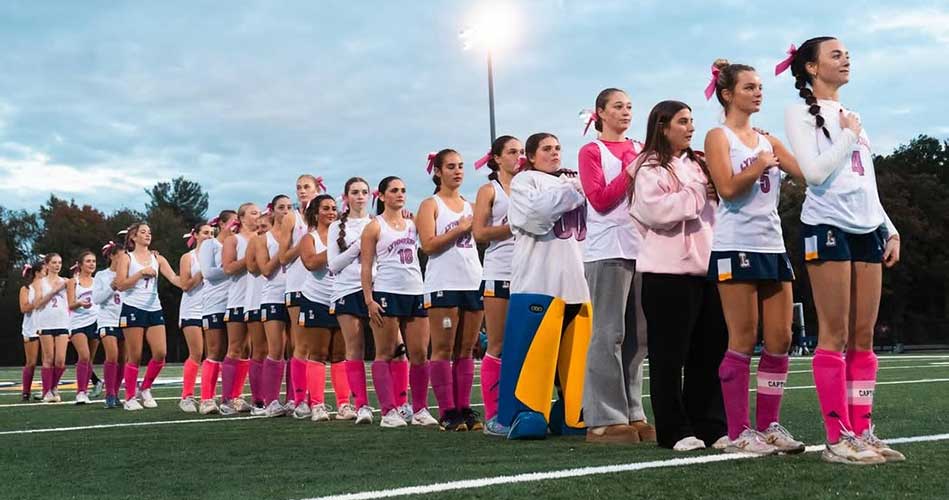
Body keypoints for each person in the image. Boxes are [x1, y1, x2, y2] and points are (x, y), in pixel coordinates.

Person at [780, 36, 902, 464]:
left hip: (868, 229)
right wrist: (848, 135)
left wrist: (890, 228)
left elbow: (865, 181)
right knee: (834, 334)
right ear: (812, 68)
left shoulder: (853, 117)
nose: (846, 58)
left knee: (863, 337)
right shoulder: (800, 113)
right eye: (835, 54)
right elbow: (814, 174)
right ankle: (838, 438)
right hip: (828, 226)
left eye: (847, 53)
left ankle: (863, 430)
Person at [704, 59, 807, 455]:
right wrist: (759, 166)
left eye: (760, 86)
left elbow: (808, 174)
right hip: (735, 245)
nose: (758, 93)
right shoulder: (719, 136)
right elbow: (728, 189)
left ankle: (769, 426)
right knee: (743, 339)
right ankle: (738, 432)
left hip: (772, 245)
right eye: (749, 87)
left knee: (781, 338)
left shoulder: (769, 140)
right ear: (728, 94)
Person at [628, 100, 727, 451]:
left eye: (691, 121)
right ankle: (674, 430)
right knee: (669, 356)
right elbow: (656, 212)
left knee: (709, 351)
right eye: (682, 121)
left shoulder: (699, 163)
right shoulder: (647, 167)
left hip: (708, 268)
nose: (690, 127)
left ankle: (710, 425)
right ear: (662, 126)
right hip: (666, 272)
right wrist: (697, 192)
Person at [497, 133, 592, 440]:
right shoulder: (525, 181)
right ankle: (521, 413)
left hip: (578, 284)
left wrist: (573, 188)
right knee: (530, 356)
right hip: (537, 281)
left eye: (558, 148)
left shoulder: (574, 182)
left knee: (577, 361)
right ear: (531, 156)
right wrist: (573, 190)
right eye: (546, 149)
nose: (554, 153)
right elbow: (535, 218)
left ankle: (571, 413)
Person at [577, 88, 655, 444]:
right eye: (618, 106)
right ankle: (603, 418)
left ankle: (632, 410)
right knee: (609, 334)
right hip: (608, 248)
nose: (626, 112)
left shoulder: (640, 147)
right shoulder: (592, 151)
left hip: (643, 248)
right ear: (601, 113)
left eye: (629, 107)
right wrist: (633, 169)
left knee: (638, 337)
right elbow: (600, 200)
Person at [362, 176, 437, 428]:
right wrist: (369, 300)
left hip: (416, 291)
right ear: (382, 196)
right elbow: (366, 266)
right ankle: (388, 411)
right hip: (387, 292)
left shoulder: (413, 224)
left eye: (403, 190)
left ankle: (420, 409)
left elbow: (428, 245)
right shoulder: (374, 227)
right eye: (394, 190)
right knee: (385, 353)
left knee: (419, 354)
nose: (400, 194)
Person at [417, 149, 484, 431]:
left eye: (461, 166)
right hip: (443, 284)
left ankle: (465, 408)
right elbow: (428, 245)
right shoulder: (430, 205)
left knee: (467, 349)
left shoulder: (471, 205)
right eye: (451, 166)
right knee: (443, 348)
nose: (457, 171)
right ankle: (447, 411)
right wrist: (460, 229)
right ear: (438, 171)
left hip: (473, 281)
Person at [472, 135, 522, 435]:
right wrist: (514, 225)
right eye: (512, 152)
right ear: (497, 158)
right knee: (498, 344)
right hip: (499, 272)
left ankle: (520, 410)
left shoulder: (530, 184)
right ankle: (494, 416)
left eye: (522, 151)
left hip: (529, 272)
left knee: (524, 346)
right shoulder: (489, 190)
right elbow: (479, 233)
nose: (519, 157)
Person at [297, 194, 354, 422]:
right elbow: (310, 263)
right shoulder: (309, 238)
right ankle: (317, 404)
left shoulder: (345, 235)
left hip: (340, 297)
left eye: (333, 208)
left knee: (340, 355)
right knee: (318, 353)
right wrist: (334, 248)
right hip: (316, 298)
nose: (331, 212)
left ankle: (344, 404)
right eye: (326, 208)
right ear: (316, 213)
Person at [114, 222, 181, 411]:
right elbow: (120, 285)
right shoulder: (126, 258)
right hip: (133, 308)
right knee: (134, 356)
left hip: (154, 308)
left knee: (160, 353)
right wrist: (141, 273)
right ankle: (129, 398)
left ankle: (145, 388)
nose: (147, 235)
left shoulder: (157, 258)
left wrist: (194, 280)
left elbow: (174, 278)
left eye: (149, 232)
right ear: (133, 237)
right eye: (143, 232)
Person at [327, 177, 376, 424]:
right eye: (355, 192)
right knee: (354, 348)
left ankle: (398, 404)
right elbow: (333, 265)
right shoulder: (336, 226)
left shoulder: (376, 222)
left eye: (364, 192)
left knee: (391, 347)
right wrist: (358, 246)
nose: (360, 196)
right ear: (346, 197)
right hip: (347, 290)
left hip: (376, 289)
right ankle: (361, 406)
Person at [279, 175, 322, 414]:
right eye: (299, 187)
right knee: (300, 343)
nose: (302, 191)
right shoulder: (291, 218)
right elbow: (283, 257)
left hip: (323, 286)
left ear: (317, 189)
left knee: (321, 347)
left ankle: (317, 399)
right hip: (297, 285)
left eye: (307, 187)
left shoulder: (326, 214)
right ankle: (299, 400)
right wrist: (304, 243)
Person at [220, 203, 261, 415]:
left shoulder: (263, 237)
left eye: (259, 213)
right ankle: (227, 399)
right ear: (242, 218)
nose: (258, 216)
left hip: (258, 299)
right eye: (253, 213)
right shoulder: (233, 240)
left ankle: (245, 397)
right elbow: (228, 268)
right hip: (238, 300)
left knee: (252, 350)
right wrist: (252, 256)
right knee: (235, 348)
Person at [256, 195, 293, 417]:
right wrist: (284, 250)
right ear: (273, 211)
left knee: (296, 349)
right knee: (276, 349)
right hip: (272, 296)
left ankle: (294, 399)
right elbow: (266, 270)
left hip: (296, 294)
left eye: (289, 207)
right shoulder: (264, 239)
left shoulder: (298, 233)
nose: (286, 211)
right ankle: (271, 401)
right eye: (281, 207)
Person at [198, 210, 238, 414]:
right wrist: (232, 267)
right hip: (214, 303)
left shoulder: (238, 244)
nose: (236, 226)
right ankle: (206, 399)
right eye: (233, 222)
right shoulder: (210, 244)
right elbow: (208, 272)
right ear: (222, 224)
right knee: (215, 350)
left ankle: (232, 397)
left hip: (235, 302)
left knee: (236, 351)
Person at [177, 224, 213, 412]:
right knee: (196, 353)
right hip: (192, 309)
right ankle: (187, 396)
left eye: (212, 233)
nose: (209, 236)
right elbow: (185, 285)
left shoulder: (217, 255)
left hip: (211, 308)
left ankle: (208, 397)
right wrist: (201, 273)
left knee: (213, 354)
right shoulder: (188, 257)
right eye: (205, 233)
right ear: (196, 235)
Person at [33, 253, 70, 403]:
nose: (57, 265)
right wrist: (53, 291)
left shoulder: (65, 281)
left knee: (60, 361)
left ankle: (53, 387)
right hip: (46, 323)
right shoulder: (40, 283)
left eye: (59, 262)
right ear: (47, 265)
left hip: (63, 323)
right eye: (54, 262)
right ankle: (47, 391)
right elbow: (37, 304)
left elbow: (71, 302)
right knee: (48, 359)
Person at [95, 240, 126, 409]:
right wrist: (111, 287)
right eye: (120, 257)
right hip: (107, 319)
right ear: (112, 256)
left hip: (125, 319)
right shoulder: (102, 275)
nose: (123, 261)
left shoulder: (128, 274)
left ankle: (116, 392)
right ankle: (110, 394)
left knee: (123, 359)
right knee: (112, 355)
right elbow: (97, 299)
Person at [67, 251, 99, 404]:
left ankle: (85, 391)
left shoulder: (98, 281)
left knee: (90, 359)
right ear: (80, 264)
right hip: (78, 323)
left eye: (93, 261)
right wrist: (80, 303)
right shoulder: (73, 282)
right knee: (84, 356)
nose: (92, 264)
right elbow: (70, 304)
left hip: (95, 322)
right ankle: (80, 392)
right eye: (88, 261)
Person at [18, 259, 45, 402]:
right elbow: (24, 308)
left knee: (48, 362)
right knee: (31, 362)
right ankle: (26, 391)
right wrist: (38, 301)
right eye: (45, 271)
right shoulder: (26, 289)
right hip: (31, 328)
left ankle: (47, 390)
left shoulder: (50, 286)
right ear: (37, 272)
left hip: (47, 327)